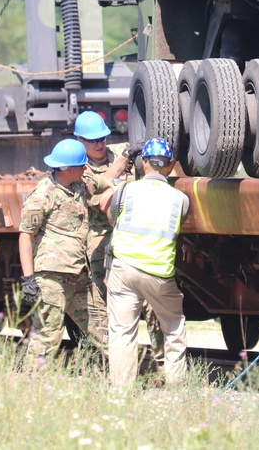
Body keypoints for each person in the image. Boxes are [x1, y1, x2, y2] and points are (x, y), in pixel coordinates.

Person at [74, 110, 167, 371]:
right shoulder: (79, 169)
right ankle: (116, 368)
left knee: (152, 305)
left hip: (136, 241)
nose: (100, 144)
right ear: (80, 141)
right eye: (93, 141)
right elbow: (101, 190)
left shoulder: (118, 151)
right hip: (102, 246)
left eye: (102, 138)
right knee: (105, 312)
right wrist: (126, 158)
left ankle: (163, 365)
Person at [102, 138, 191, 389]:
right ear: (169, 165)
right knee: (173, 326)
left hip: (124, 269)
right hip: (158, 273)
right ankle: (176, 385)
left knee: (121, 330)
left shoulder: (126, 191)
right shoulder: (179, 199)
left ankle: (121, 391)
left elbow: (110, 217)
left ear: (144, 163)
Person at [18, 139, 110, 373]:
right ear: (70, 169)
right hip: (52, 279)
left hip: (79, 275)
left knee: (104, 328)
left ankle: (121, 381)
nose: (86, 169)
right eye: (82, 165)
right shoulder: (42, 195)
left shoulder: (80, 184)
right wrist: (29, 279)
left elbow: (107, 182)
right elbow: (25, 236)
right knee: (48, 335)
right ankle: (32, 385)